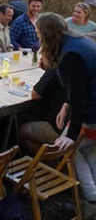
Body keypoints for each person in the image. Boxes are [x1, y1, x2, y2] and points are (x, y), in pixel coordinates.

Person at [36, 13, 96, 216]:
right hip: (90, 107)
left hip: (91, 112)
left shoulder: (71, 55)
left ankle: (90, 199)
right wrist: (66, 105)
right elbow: (82, 83)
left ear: (46, 35)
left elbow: (79, 95)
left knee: (71, 151)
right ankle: (92, 200)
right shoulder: (77, 42)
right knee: (90, 153)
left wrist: (72, 134)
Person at [19, 66, 67, 155]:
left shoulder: (57, 68)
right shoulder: (83, 66)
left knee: (22, 130)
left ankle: (53, 166)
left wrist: (48, 69)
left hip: (64, 130)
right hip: (82, 127)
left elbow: (36, 95)